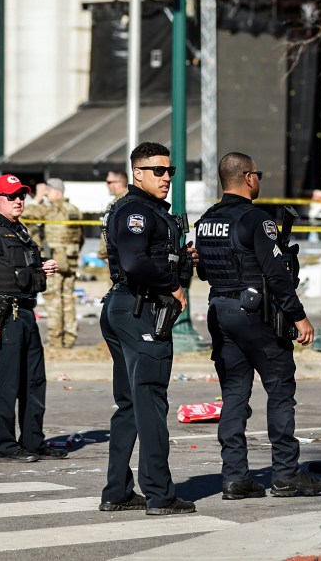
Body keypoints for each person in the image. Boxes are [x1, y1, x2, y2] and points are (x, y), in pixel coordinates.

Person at [193, 152, 321, 500]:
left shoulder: (206, 221)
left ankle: (235, 477)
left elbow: (204, 271)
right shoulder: (256, 219)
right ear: (248, 177)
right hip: (257, 314)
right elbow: (275, 274)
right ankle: (286, 474)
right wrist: (298, 316)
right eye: (258, 174)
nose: (259, 180)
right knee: (280, 390)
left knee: (234, 394)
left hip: (220, 311)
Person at [99, 142, 197, 515]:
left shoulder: (153, 211)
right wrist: (172, 285)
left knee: (129, 403)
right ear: (137, 173)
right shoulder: (136, 211)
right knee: (151, 400)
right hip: (139, 309)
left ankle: (117, 491)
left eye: (170, 170)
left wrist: (182, 263)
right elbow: (134, 261)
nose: (166, 177)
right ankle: (159, 494)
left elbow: (153, 258)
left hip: (127, 307)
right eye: (158, 171)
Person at [0, 174, 67, 464]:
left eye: (21, 196)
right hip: (4, 317)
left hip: (25, 313)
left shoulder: (20, 232)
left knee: (34, 381)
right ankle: (4, 447)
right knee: (7, 384)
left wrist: (42, 267)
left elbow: (21, 269)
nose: (18, 201)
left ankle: (33, 442)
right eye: (11, 196)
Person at [22, 178, 84, 348]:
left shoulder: (50, 209)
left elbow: (26, 214)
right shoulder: (74, 210)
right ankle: (70, 337)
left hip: (53, 262)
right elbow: (81, 238)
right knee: (68, 300)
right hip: (70, 261)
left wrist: (37, 197)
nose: (46, 195)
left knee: (53, 300)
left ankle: (56, 339)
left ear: (56, 192)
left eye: (48, 192)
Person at [97, 169, 129, 266]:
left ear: (119, 183)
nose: (106, 185)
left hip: (121, 258)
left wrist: (105, 253)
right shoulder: (117, 202)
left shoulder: (123, 202)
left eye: (109, 182)